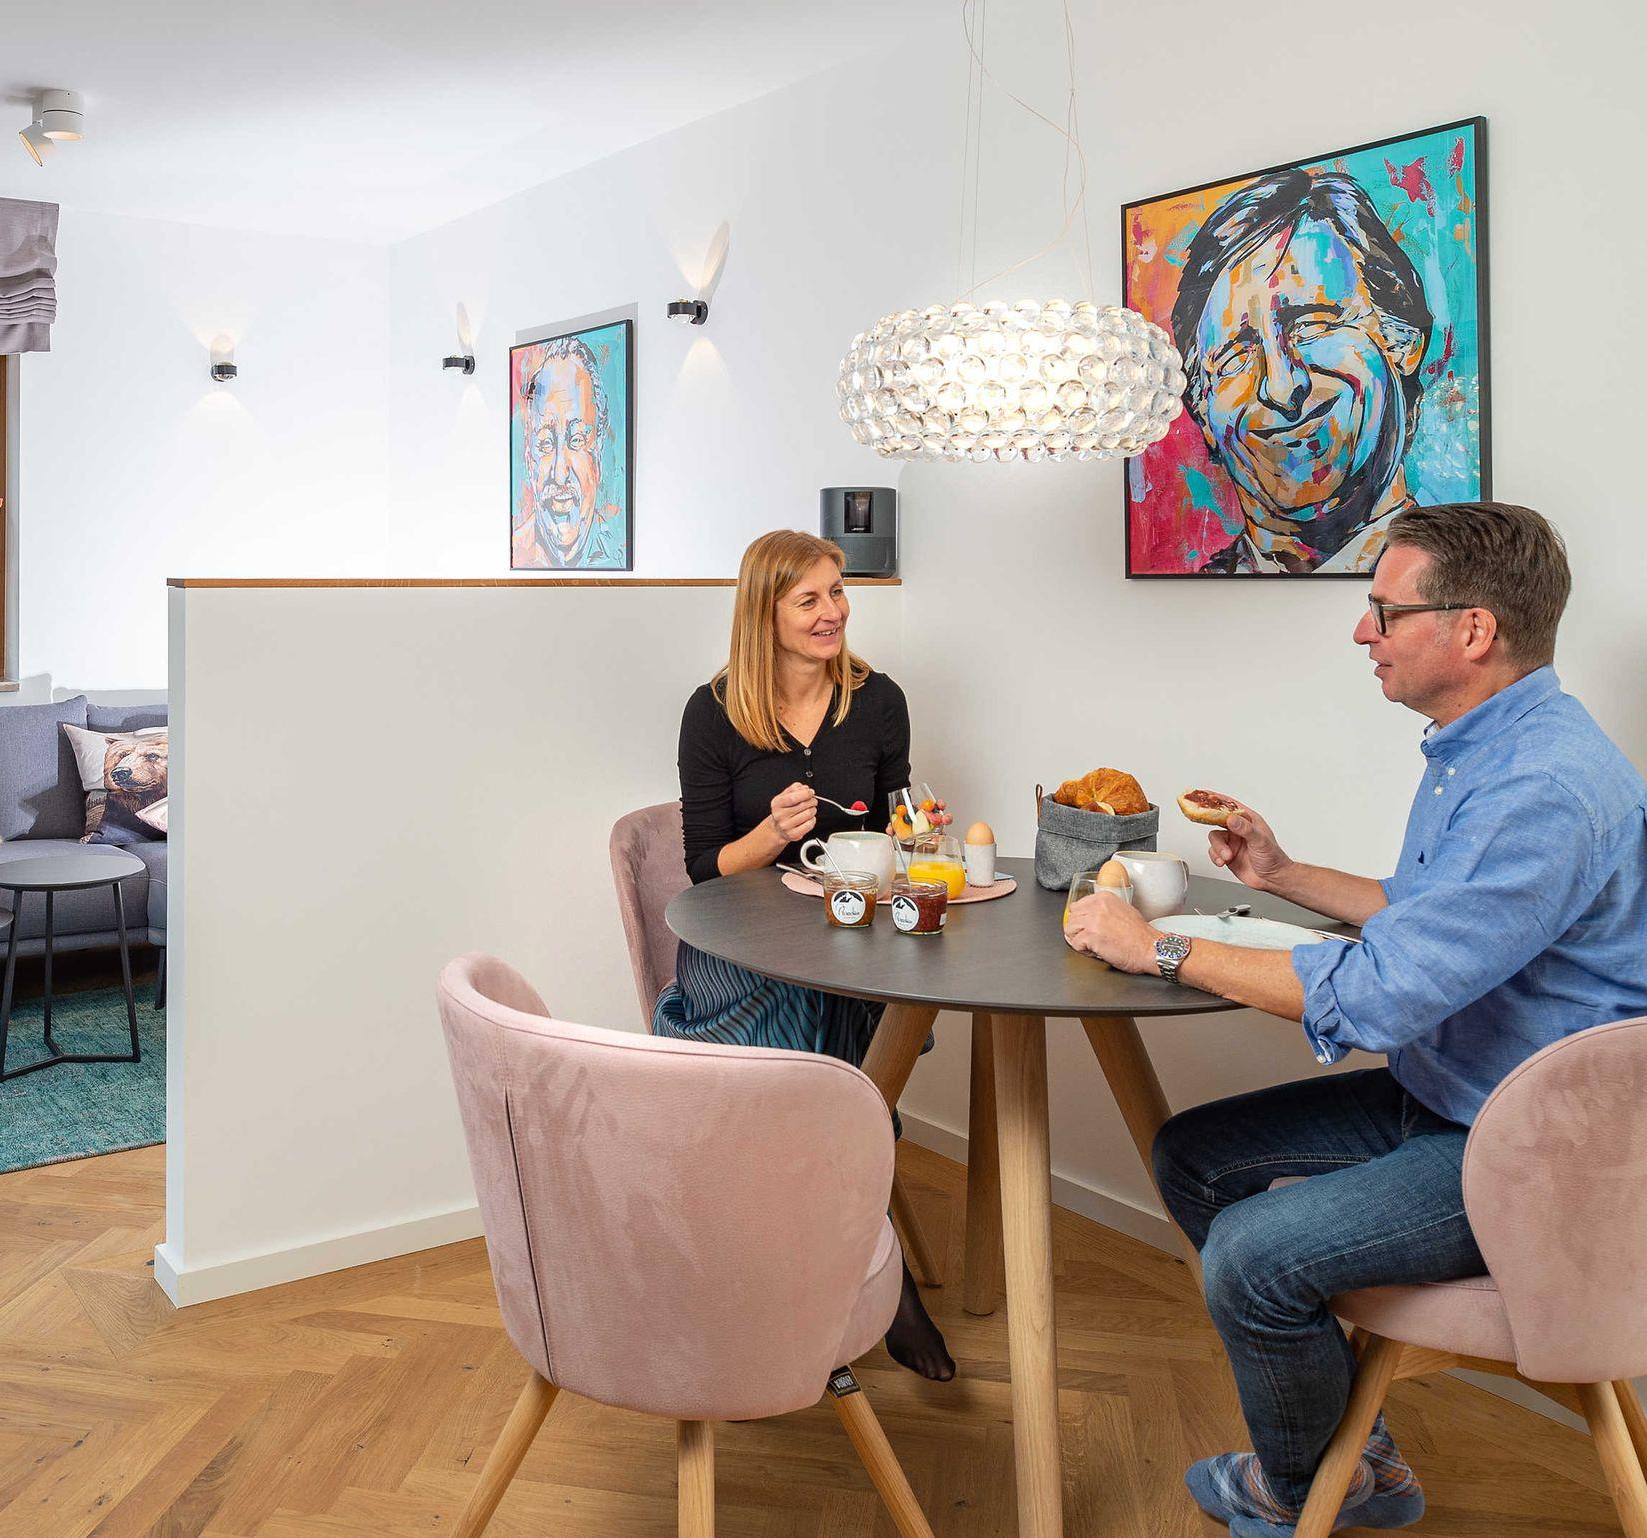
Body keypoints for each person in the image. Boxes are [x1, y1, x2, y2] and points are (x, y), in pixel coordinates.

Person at [1062, 502, 1647, 1535]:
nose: (1360, 631)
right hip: (1457, 1094)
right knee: (1193, 1157)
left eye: (1384, 610)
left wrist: (1151, 946)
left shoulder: (1543, 787)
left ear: (1472, 630)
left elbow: (1381, 993)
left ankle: (1302, 1491)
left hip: (1533, 1149)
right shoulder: (1489, 749)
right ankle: (1354, 1449)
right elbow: (1428, 916)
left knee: (1251, 1256)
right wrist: (1282, 874)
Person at [657, 527, 954, 1381]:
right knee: (817, 1054)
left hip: (849, 933)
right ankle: (876, 1283)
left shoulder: (879, 701)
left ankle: (818, 1291)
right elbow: (703, 867)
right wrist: (769, 834)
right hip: (737, 947)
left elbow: (897, 828)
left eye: (838, 592)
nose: (834, 612)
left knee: (841, 1032)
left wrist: (918, 830)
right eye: (811, 599)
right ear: (766, 613)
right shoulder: (712, 713)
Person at [1172, 168, 1435, 575]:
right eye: (1234, 357)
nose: (1281, 387)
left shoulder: (1459, 581)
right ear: (1202, 413)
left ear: (1401, 339)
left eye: (1312, 324)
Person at [511, 335, 624, 568]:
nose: (560, 474)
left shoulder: (618, 551)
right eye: (545, 444)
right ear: (529, 459)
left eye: (576, 440)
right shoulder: (517, 549)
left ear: (598, 452)